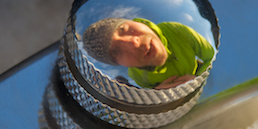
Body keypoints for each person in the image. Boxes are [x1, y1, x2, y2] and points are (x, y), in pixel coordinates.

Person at [83, 17, 215, 89]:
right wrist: (159, 94)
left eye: (123, 29)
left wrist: (199, 79)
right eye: (116, 52)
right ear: (119, 64)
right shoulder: (137, 77)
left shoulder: (175, 30)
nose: (133, 43)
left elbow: (212, 56)